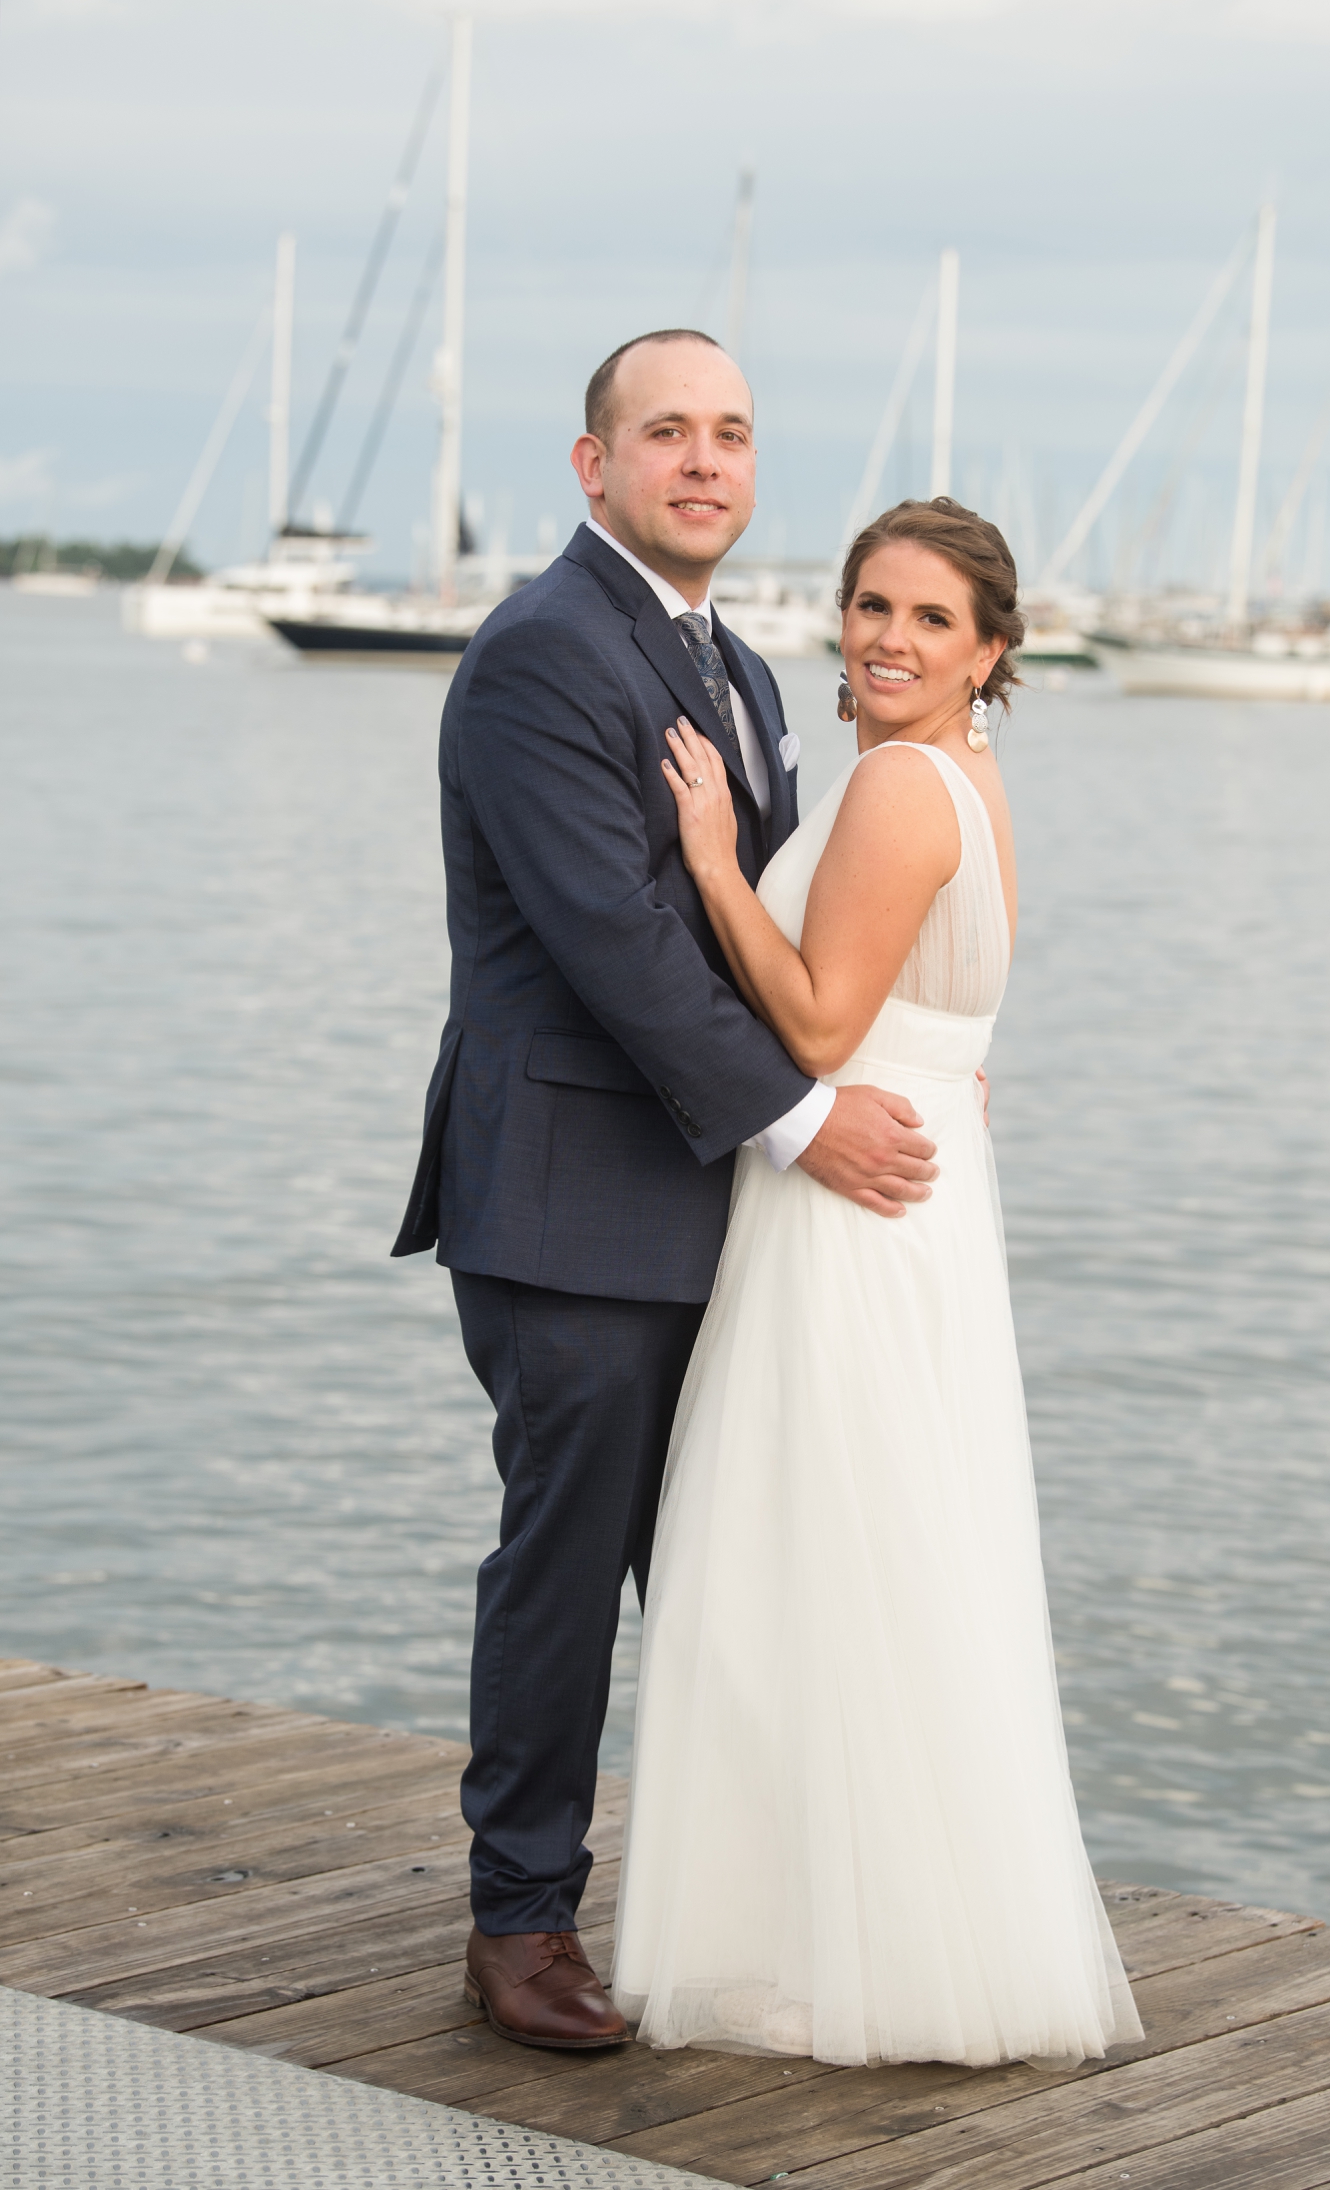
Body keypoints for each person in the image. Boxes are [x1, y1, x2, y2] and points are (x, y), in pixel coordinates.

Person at [392, 329, 943, 2050]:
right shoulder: (542, 658)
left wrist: (902, 1064)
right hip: (567, 1198)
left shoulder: (748, 676)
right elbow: (619, 946)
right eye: (666, 434)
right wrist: (803, 1119)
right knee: (568, 1560)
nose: (703, 461)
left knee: (727, 1564)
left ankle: (750, 1892)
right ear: (594, 465)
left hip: (721, 1206)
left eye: (732, 435)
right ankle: (520, 1924)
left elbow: (772, 933)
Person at [612, 498, 1142, 2068]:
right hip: (925, 1200)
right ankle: (888, 1934)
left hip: (853, 1209)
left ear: (991, 650)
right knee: (897, 1551)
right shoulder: (967, 781)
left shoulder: (903, 787)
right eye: (869, 607)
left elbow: (824, 1027)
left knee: (820, 1552)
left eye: (928, 619)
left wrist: (712, 861)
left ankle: (832, 1947)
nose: (888, 640)